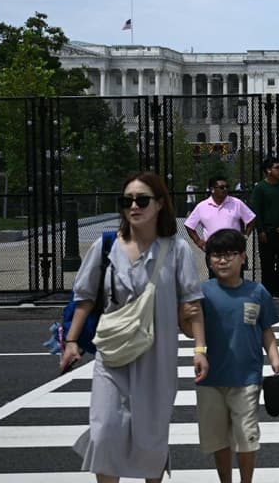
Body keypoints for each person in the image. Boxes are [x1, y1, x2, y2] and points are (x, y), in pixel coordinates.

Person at [59, 171, 207, 482]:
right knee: (105, 434)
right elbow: (84, 297)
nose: (134, 207)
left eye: (142, 200)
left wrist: (199, 349)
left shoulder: (176, 250)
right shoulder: (107, 246)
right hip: (113, 353)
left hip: (157, 358)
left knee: (150, 441)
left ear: (160, 204)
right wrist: (72, 341)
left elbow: (192, 305)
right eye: (127, 201)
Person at [195, 229, 279, 483]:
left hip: (246, 377)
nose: (222, 261)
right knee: (218, 438)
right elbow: (192, 328)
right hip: (210, 379)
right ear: (209, 260)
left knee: (246, 437)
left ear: (243, 257)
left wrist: (275, 358)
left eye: (229, 254)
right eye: (216, 255)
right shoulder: (203, 293)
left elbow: (266, 329)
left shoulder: (257, 292)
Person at [249, 156, 279, 299]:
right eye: (277, 167)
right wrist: (260, 230)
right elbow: (256, 211)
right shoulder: (260, 188)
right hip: (268, 232)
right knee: (267, 263)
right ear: (268, 170)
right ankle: (268, 289)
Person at [184, 175, 256, 254]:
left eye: (227, 187)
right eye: (221, 187)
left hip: (235, 251)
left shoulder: (236, 203)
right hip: (214, 252)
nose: (225, 189)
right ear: (212, 189)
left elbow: (251, 219)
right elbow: (189, 225)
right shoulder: (201, 207)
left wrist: (245, 237)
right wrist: (198, 241)